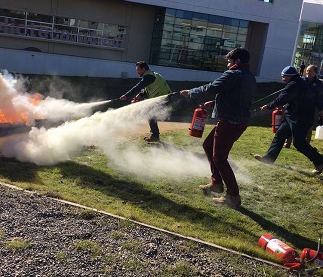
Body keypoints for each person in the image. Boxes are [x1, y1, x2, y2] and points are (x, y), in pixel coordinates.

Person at [180, 47, 256, 207]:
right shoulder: (250, 77)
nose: (228, 65)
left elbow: (212, 87)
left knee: (220, 158)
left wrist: (191, 92)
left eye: (229, 62)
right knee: (208, 145)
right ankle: (216, 184)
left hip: (230, 121)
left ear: (238, 61)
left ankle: (233, 196)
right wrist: (214, 102)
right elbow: (237, 96)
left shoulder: (233, 74)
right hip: (238, 121)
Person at [253, 66, 323, 174]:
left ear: (289, 76)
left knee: (299, 143)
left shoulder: (294, 84)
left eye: (283, 76)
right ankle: (269, 158)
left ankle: (319, 161)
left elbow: (282, 98)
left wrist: (268, 106)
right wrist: (282, 104)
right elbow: (291, 98)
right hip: (291, 116)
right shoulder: (299, 82)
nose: (282, 78)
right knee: (280, 135)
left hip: (301, 118)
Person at [119, 61, 172, 142]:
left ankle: (155, 136)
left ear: (143, 69)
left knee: (151, 115)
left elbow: (138, 86)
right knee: (151, 115)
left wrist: (126, 95)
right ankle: (155, 136)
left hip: (164, 98)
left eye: (138, 70)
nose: (137, 72)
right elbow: (145, 89)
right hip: (162, 98)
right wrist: (140, 95)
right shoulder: (150, 75)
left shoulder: (149, 76)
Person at [284, 65, 323, 148]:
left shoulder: (319, 84)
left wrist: (321, 109)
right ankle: (288, 142)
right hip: (297, 107)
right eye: (307, 70)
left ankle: (306, 144)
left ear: (315, 72)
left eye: (310, 71)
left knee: (308, 127)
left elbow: (320, 98)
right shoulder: (301, 81)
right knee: (292, 125)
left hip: (310, 108)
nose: (308, 72)